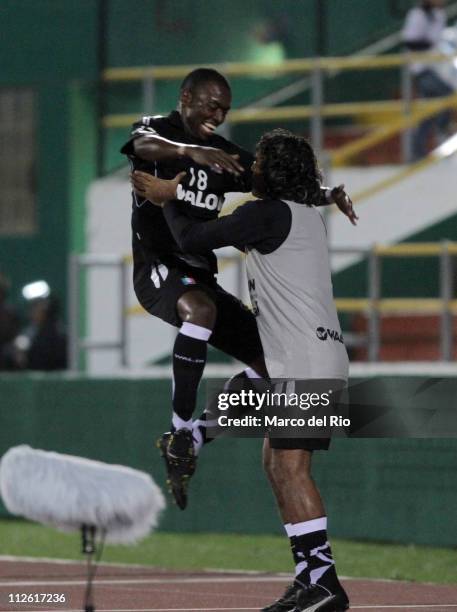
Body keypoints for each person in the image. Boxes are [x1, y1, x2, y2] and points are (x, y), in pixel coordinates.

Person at [131, 128, 350, 612]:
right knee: (275, 464)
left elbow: (190, 236)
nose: (250, 168)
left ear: (271, 172)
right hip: (309, 357)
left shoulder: (265, 214)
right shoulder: (303, 214)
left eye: (259, 163)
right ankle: (309, 577)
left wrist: (169, 195)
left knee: (292, 470)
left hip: (303, 362)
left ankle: (325, 583)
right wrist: (329, 192)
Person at [121, 67, 357, 512]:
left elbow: (278, 179)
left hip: (200, 275)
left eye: (225, 110)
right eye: (211, 105)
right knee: (201, 313)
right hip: (159, 268)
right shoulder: (157, 133)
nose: (219, 115)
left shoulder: (223, 154)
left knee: (270, 368)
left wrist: (328, 193)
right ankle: (178, 424)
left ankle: (190, 440)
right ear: (185, 96)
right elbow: (140, 146)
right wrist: (194, 153)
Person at [402, 0, 453, 159]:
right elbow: (410, 41)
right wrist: (431, 44)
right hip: (421, 68)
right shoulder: (417, 15)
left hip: (435, 67)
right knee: (447, 95)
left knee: (428, 112)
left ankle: (417, 151)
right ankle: (442, 130)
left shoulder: (439, 14)